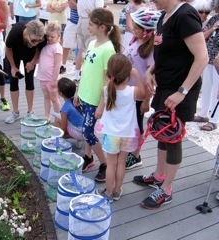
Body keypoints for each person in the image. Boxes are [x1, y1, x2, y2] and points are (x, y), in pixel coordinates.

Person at [133, 0, 208, 209]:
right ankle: (159, 175)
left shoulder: (185, 16)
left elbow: (202, 57)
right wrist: (150, 71)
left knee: (173, 136)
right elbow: (164, 50)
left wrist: (182, 92)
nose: (152, 1)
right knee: (162, 131)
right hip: (166, 86)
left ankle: (166, 189)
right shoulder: (164, 16)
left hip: (180, 89)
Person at [73, 8, 122, 182]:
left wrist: (102, 103)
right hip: (85, 95)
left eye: (91, 24)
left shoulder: (109, 50)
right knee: (88, 129)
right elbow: (86, 70)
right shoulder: (93, 44)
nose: (88, 27)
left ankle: (105, 164)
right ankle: (88, 157)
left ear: (102, 27)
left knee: (87, 132)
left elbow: (110, 80)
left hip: (95, 100)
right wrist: (78, 91)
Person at [95, 54, 145, 202]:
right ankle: (117, 190)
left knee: (111, 163)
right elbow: (144, 93)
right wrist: (137, 75)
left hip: (111, 134)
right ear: (128, 74)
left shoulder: (105, 90)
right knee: (121, 162)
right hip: (128, 134)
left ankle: (108, 193)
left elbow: (107, 85)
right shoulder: (132, 91)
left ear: (110, 74)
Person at [125, 7, 161, 170]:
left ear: (147, 31)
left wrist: (147, 101)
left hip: (140, 95)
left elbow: (150, 80)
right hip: (129, 91)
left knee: (138, 125)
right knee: (129, 123)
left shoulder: (151, 50)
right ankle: (129, 149)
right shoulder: (134, 40)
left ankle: (136, 156)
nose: (134, 29)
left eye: (138, 27)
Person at [5, 19, 46, 124]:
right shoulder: (16, 31)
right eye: (33, 40)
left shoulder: (41, 37)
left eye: (39, 40)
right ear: (27, 33)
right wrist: (13, 66)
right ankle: (15, 112)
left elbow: (38, 50)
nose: (36, 43)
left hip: (30, 55)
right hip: (14, 53)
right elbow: (8, 48)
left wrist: (32, 63)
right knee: (13, 80)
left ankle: (30, 112)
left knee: (29, 80)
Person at [194, 1, 219, 131]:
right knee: (207, 87)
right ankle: (203, 114)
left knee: (217, 90)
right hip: (209, 58)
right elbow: (202, 36)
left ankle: (214, 120)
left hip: (218, 62)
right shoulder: (214, 19)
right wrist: (214, 28)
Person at [36, 21, 62, 121]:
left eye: (52, 36)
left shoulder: (57, 48)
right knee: (46, 97)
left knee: (54, 98)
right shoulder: (45, 45)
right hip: (42, 76)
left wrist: (54, 79)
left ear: (58, 36)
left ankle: (58, 117)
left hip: (51, 78)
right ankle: (46, 116)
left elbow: (57, 65)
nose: (49, 39)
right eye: (48, 36)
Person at [73, 0, 104, 82]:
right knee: (91, 50)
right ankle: (87, 75)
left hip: (81, 20)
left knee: (82, 49)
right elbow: (99, 11)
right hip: (90, 21)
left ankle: (77, 76)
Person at [60, 0, 78, 74]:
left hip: (86, 22)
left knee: (82, 46)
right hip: (73, 21)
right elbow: (71, 4)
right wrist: (84, 8)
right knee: (66, 43)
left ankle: (78, 68)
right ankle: (63, 65)